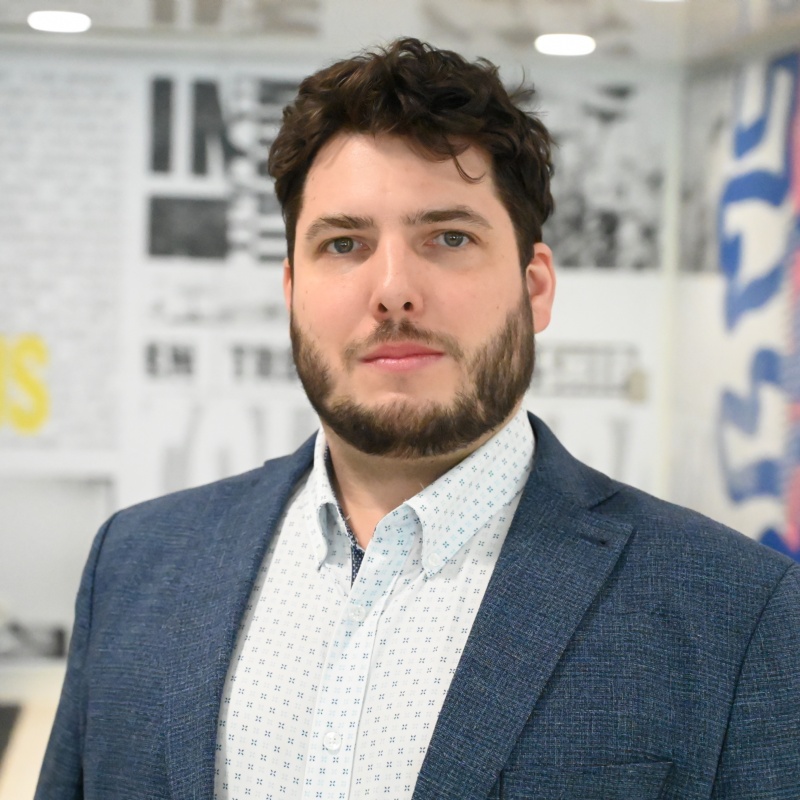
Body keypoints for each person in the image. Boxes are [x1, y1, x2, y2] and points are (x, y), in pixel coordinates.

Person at [37, 38, 799, 800]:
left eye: (450, 237)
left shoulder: (735, 612)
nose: (393, 289)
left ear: (535, 287)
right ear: (292, 291)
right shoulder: (135, 568)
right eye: (344, 244)